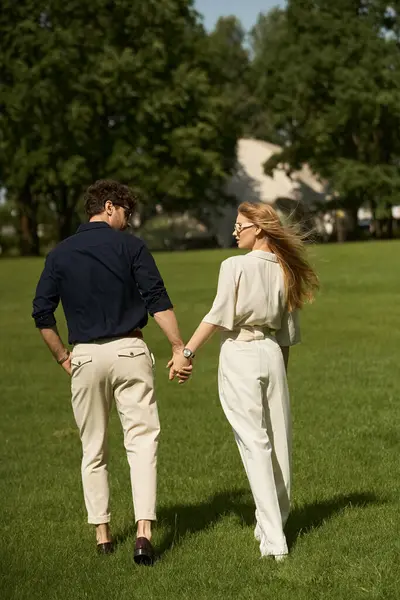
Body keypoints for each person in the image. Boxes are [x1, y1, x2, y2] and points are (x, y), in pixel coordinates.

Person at [32, 180, 191, 565]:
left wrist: (63, 358)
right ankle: (142, 533)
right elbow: (157, 301)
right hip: (130, 351)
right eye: (126, 213)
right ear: (108, 207)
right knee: (141, 442)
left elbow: (42, 313)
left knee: (93, 448)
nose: (128, 221)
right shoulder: (132, 248)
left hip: (84, 356)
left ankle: (103, 536)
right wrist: (177, 347)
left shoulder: (59, 254)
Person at [170, 202, 319, 560]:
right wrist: (279, 370)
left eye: (241, 226)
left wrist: (186, 353)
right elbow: (287, 331)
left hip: (240, 353)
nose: (235, 231)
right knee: (278, 443)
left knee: (255, 445)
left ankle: (274, 540)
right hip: (272, 355)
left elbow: (219, 315)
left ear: (260, 230)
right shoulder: (285, 269)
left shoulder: (233, 265)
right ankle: (271, 523)